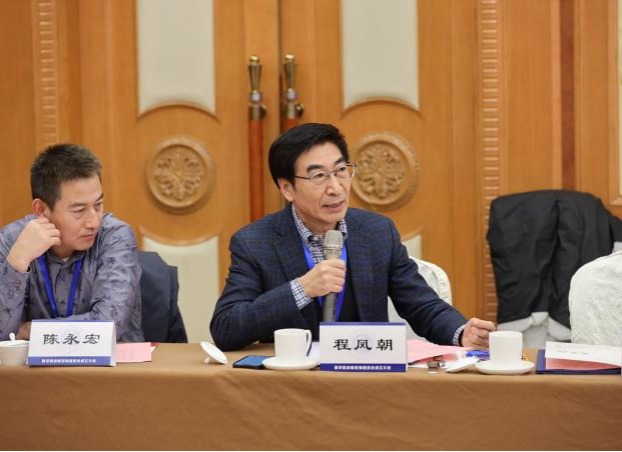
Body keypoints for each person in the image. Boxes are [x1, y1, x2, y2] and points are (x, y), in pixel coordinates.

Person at [211, 123, 494, 351]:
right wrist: (302, 288)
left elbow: (421, 305)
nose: (336, 188)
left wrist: (461, 332)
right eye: (319, 177)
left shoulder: (377, 232)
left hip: (365, 380)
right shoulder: (255, 242)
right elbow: (226, 328)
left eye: (341, 171)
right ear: (287, 188)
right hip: (290, 386)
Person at [0, 144, 144, 342]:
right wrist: (17, 263)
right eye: (79, 211)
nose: (93, 222)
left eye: (98, 205)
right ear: (41, 210)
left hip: (112, 362)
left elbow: (109, 326)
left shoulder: (115, 237)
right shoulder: (11, 241)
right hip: (32, 364)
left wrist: (30, 330)